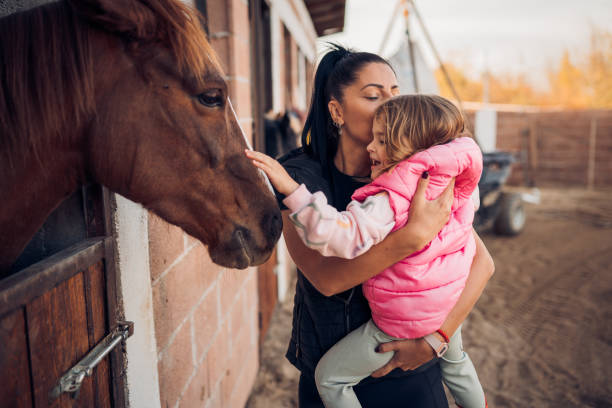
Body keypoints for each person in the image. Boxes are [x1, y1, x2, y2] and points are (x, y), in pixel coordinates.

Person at [248, 44, 494, 408]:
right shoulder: (299, 177)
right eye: (373, 96)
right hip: (335, 367)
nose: (390, 104)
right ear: (337, 111)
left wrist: (436, 339)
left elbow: (482, 263)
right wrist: (410, 239)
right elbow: (327, 279)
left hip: (414, 368)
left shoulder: (414, 173)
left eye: (395, 93)